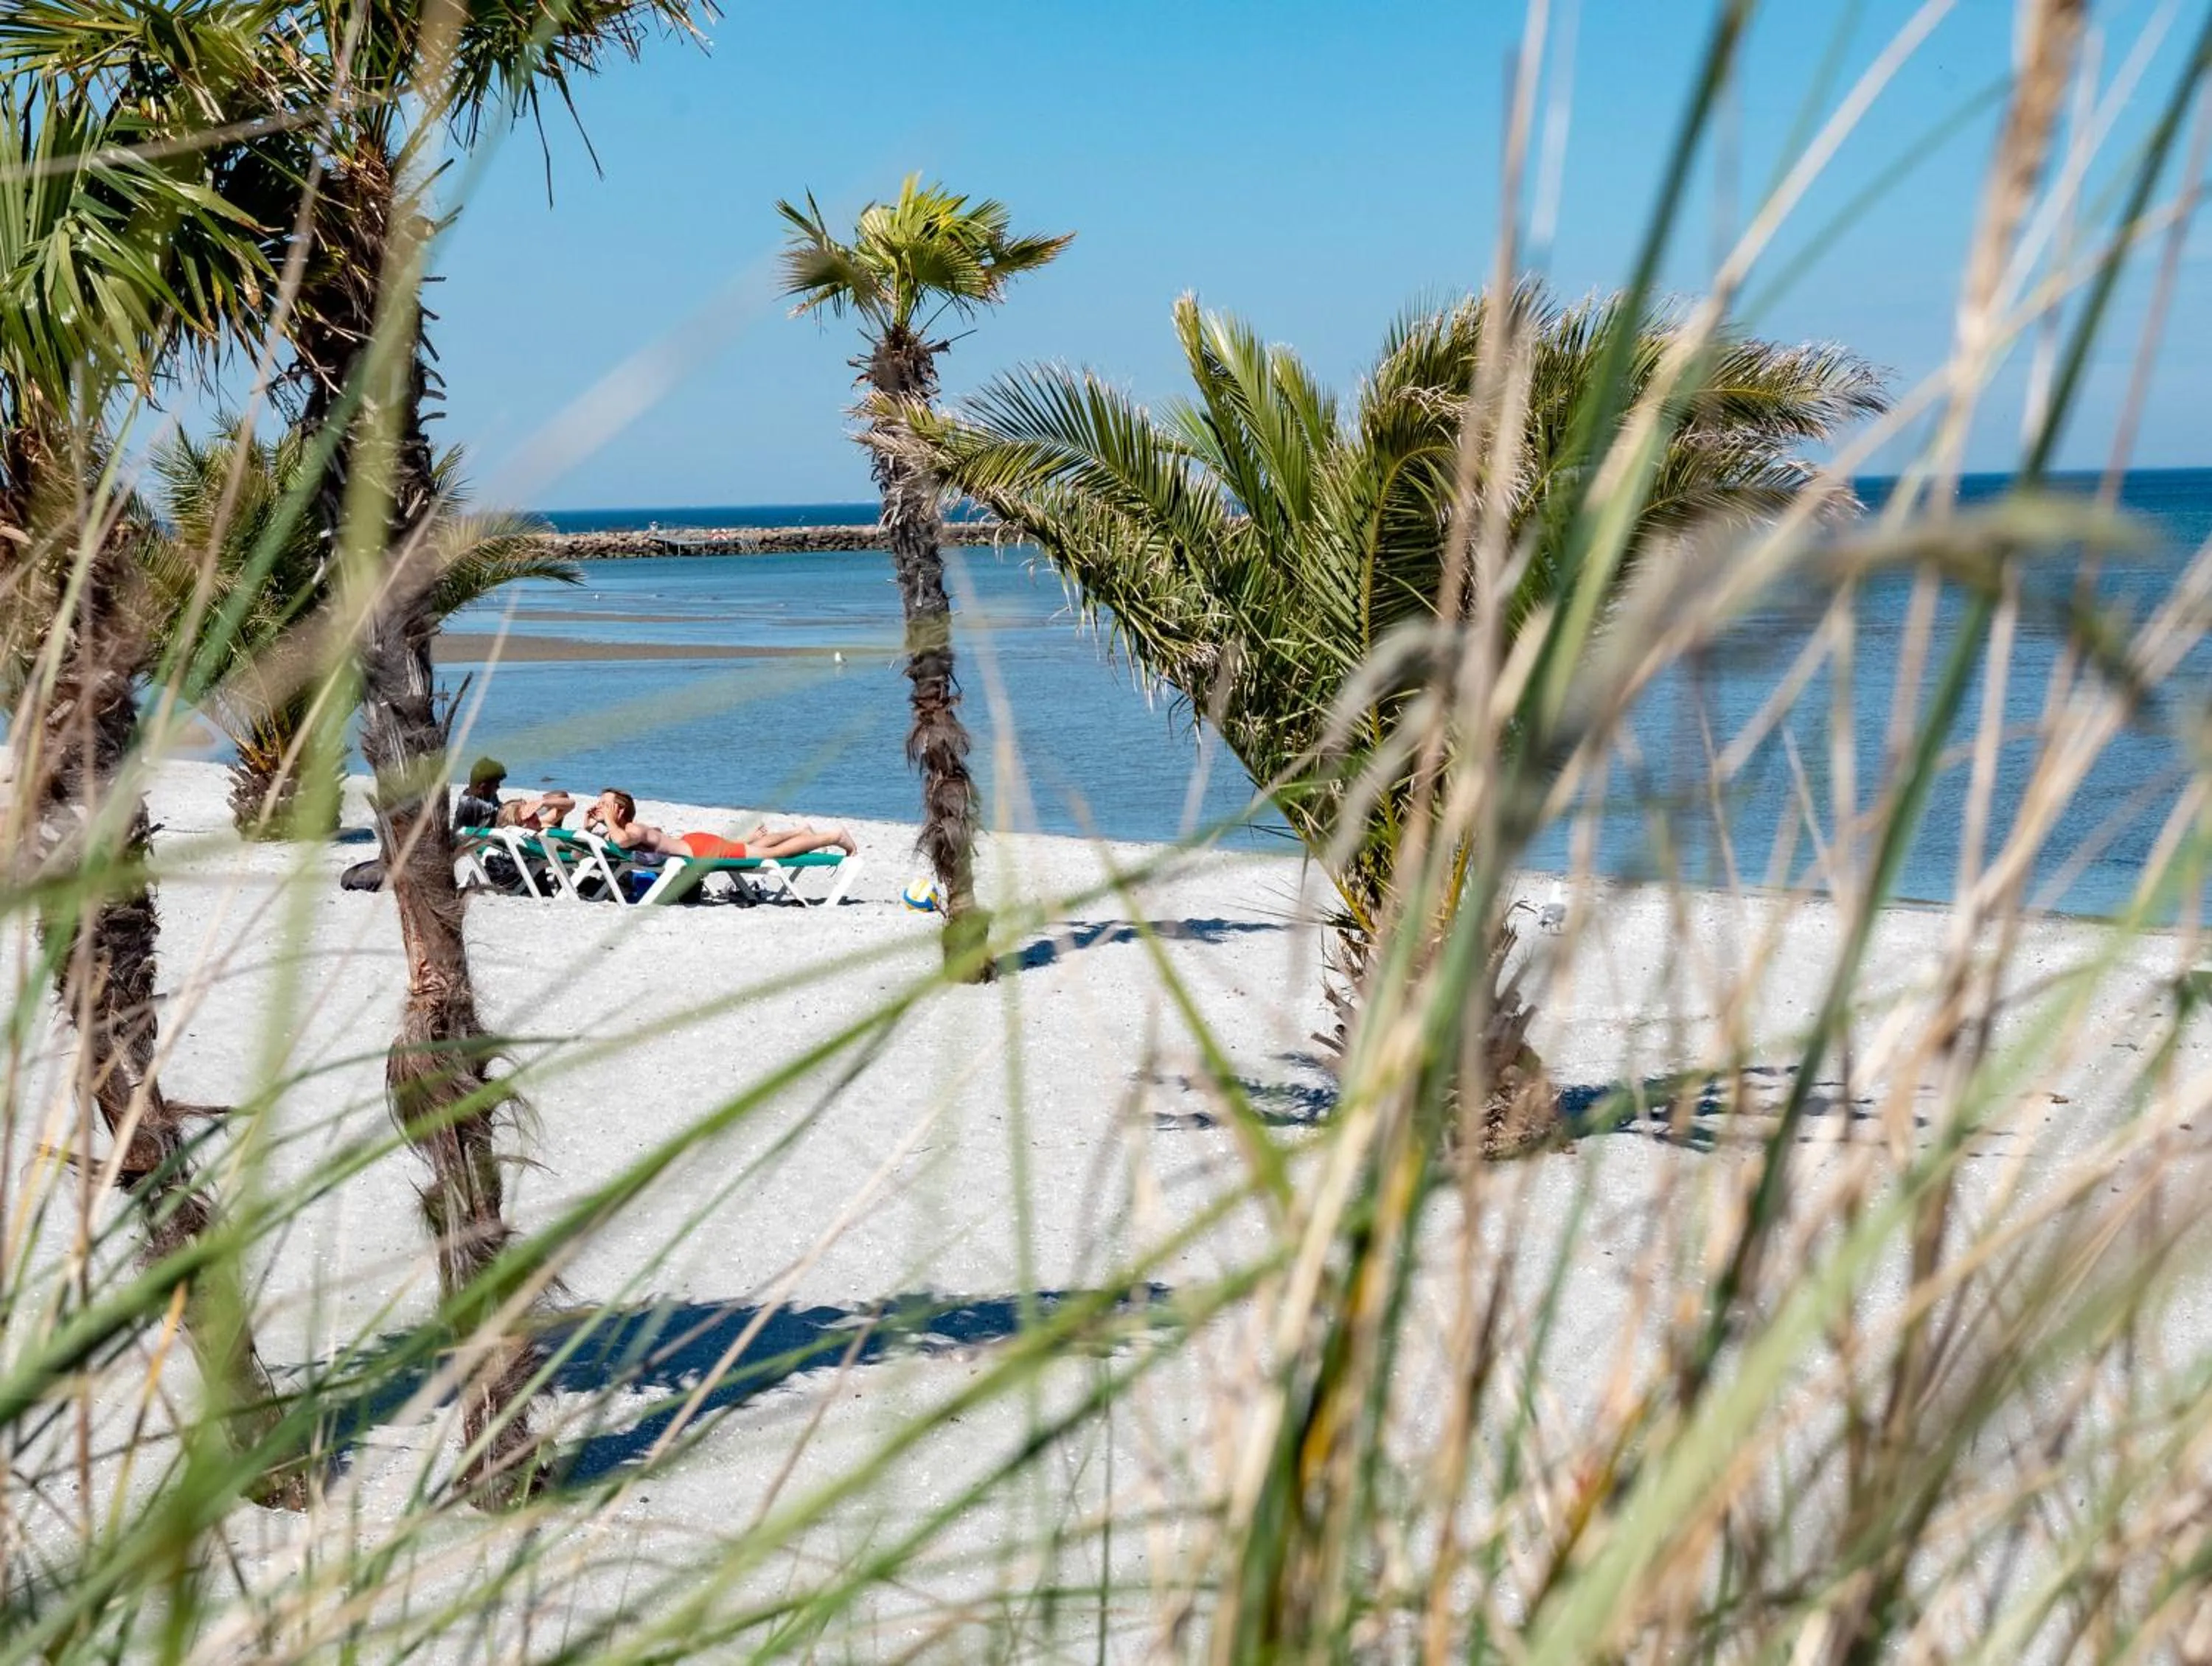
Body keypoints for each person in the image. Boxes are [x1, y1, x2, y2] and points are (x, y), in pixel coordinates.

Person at [586, 788, 856, 862]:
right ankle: (800, 832)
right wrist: (588, 827)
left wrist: (608, 821)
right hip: (696, 844)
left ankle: (834, 836)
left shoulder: (632, 830)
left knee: (772, 855)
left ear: (620, 810)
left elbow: (622, 841)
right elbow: (583, 852)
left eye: (604, 804)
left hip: (701, 850)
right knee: (751, 849)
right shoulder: (619, 830)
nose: (599, 807)